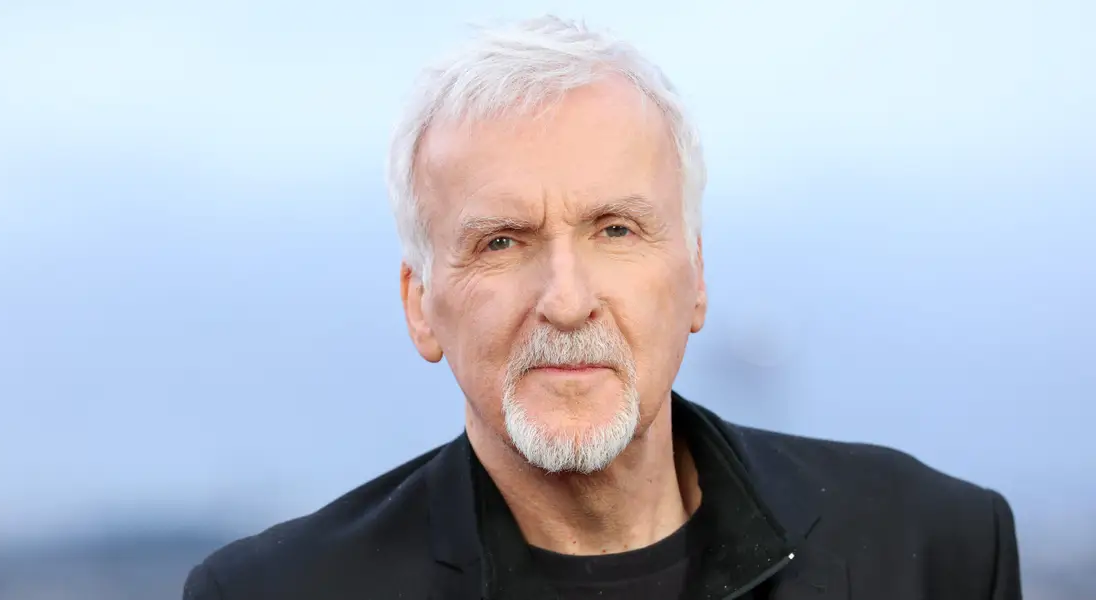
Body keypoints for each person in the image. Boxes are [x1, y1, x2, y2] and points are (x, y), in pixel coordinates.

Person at [183, 15, 1021, 600]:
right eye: (501, 242)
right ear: (421, 307)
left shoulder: (938, 552)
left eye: (616, 230)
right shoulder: (274, 593)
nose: (567, 301)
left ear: (696, 277)